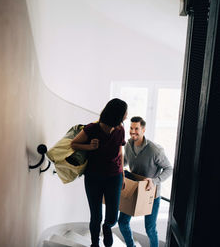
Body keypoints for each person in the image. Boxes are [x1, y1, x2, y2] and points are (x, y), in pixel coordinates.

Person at [71, 98, 128, 247]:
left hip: (114, 177)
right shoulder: (92, 128)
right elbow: (74, 143)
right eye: (125, 113)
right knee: (96, 216)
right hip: (93, 177)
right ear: (117, 114)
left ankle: (107, 228)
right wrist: (90, 147)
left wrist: (122, 175)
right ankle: (94, 243)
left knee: (112, 217)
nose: (127, 116)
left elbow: (120, 153)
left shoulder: (120, 129)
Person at [118, 116, 173, 247]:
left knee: (150, 229)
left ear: (143, 130)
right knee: (122, 223)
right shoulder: (128, 145)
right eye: (131, 128)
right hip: (133, 190)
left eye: (136, 128)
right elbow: (126, 161)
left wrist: (155, 181)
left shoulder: (155, 150)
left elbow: (169, 168)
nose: (133, 131)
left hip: (151, 194)